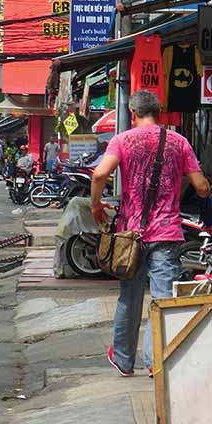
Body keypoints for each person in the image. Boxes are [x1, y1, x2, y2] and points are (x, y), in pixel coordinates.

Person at [91, 90, 210, 378]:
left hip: (131, 234)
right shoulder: (179, 142)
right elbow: (202, 187)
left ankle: (122, 359)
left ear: (132, 112)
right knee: (161, 299)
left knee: (128, 296)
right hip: (167, 234)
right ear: (160, 112)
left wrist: (96, 205)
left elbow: (99, 174)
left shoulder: (122, 140)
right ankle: (155, 361)